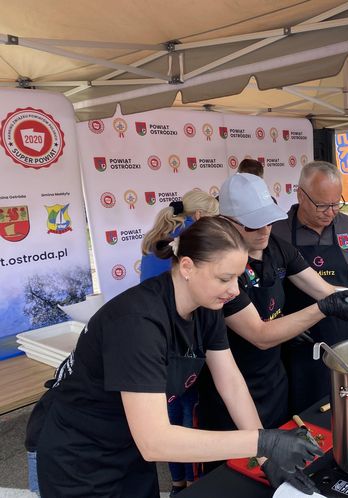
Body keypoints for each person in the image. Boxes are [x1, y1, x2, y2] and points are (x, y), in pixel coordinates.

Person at [27, 217, 324, 497]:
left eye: (238, 277)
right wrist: (263, 441)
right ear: (187, 266)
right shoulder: (137, 323)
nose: (235, 290)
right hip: (79, 455)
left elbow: (232, 384)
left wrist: (265, 457)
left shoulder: (206, 308)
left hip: (129, 447)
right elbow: (155, 441)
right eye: (224, 278)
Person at [196, 174, 348, 469]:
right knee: (236, 475)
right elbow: (260, 334)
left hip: (274, 381)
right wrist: (323, 309)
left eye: (269, 220)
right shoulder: (220, 270)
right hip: (231, 388)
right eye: (253, 225)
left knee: (281, 465)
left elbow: (325, 290)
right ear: (226, 222)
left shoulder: (278, 248)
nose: (264, 230)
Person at [271, 161, 348, 413]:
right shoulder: (277, 232)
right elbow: (265, 292)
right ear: (300, 195)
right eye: (322, 205)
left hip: (343, 339)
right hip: (295, 342)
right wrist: (280, 323)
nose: (330, 212)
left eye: (336, 203)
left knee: (346, 408)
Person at [139, 190, 218, 495]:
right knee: (190, 416)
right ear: (199, 216)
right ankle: (194, 484)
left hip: (156, 342)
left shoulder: (156, 241)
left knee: (171, 417)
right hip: (183, 340)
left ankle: (177, 484)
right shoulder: (190, 243)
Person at [140, 190, 219, 281]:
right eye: (214, 218)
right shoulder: (194, 234)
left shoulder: (166, 228)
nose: (216, 223)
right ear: (199, 214)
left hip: (148, 288)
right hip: (169, 288)